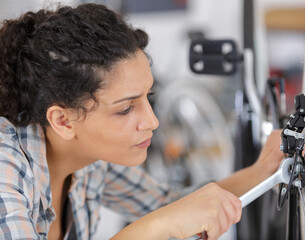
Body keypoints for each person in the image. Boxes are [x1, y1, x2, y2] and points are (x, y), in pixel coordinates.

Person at [0, 3, 283, 240]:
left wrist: (263, 170)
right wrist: (159, 224)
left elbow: (169, 205)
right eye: (125, 109)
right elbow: (166, 216)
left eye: (149, 97)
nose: (152, 121)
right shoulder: (6, 171)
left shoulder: (90, 161)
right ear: (62, 120)